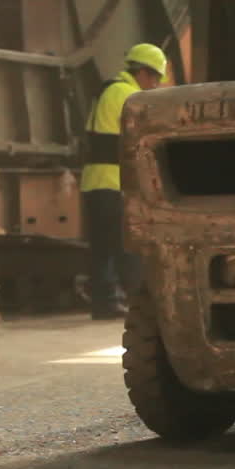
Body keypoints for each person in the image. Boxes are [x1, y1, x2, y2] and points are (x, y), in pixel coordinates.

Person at [81, 43, 168, 320]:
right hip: (113, 182)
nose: (155, 84)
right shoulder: (127, 94)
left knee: (102, 247)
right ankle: (139, 301)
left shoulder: (108, 89)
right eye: (155, 77)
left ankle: (104, 302)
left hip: (95, 181)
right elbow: (148, 135)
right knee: (127, 246)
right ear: (142, 72)